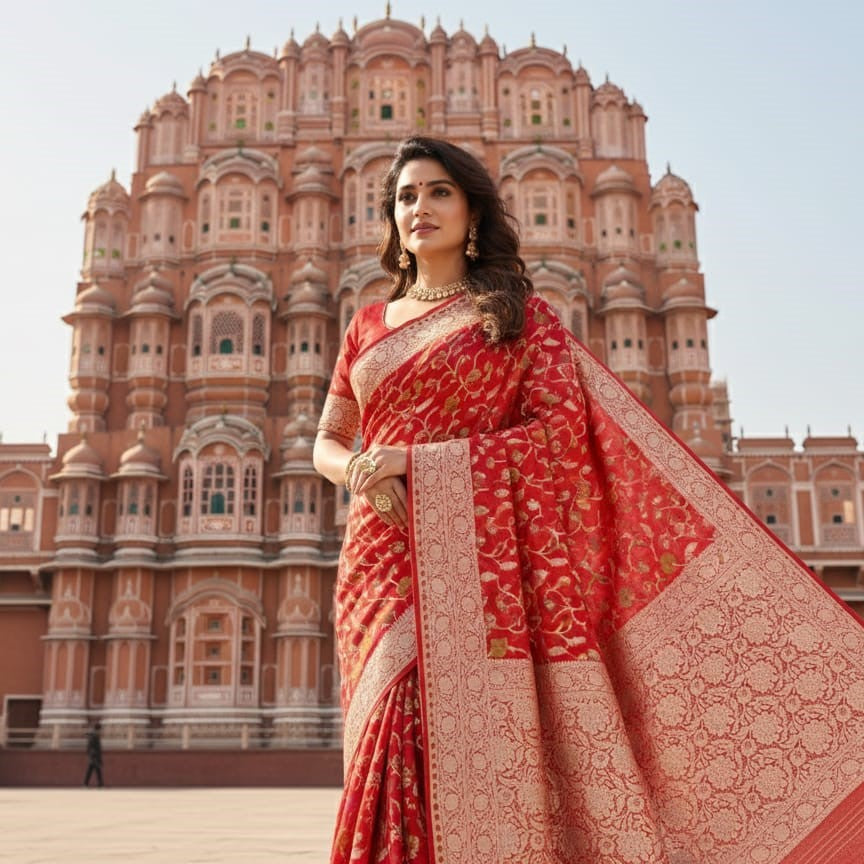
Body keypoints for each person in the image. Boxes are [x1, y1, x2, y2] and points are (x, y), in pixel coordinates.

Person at [314, 136, 864, 864]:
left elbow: (559, 436)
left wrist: (415, 463)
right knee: (386, 730)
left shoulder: (517, 318)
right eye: (406, 195)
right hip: (378, 562)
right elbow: (327, 440)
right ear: (391, 219)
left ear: (472, 211)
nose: (421, 207)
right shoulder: (366, 327)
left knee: (447, 737)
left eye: (439, 191)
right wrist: (357, 472)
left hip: (484, 569)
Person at [83, 721, 104, 787]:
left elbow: (89, 747)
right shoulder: (94, 735)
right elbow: (94, 747)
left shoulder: (93, 735)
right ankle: (99, 784)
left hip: (93, 756)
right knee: (97, 770)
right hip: (95, 756)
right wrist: (96, 756)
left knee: (92, 770)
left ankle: (86, 783)